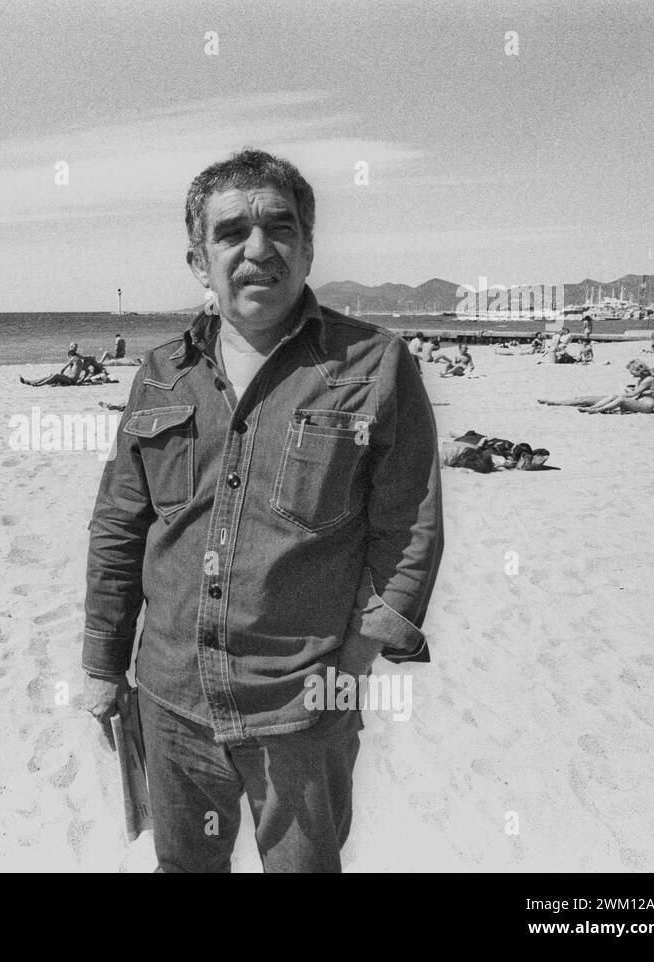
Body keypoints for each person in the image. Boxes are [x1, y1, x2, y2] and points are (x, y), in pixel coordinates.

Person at [81, 149, 442, 873]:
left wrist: (357, 657)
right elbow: (121, 524)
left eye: (280, 227)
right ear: (196, 259)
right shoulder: (161, 373)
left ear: (308, 249)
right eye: (230, 233)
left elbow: (409, 527)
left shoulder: (373, 364)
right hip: (171, 697)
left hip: (302, 709)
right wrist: (102, 662)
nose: (257, 249)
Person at [537, 360, 654, 412]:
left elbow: (634, 394)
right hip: (638, 403)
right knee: (584, 398)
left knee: (620, 398)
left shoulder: (648, 379)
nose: (630, 373)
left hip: (645, 407)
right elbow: (639, 393)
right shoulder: (643, 380)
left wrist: (625, 392)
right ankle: (555, 402)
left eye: (632, 371)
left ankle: (595, 409)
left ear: (639, 370)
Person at [20, 348, 85, 387]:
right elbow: (87, 371)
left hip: (70, 381)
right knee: (51, 376)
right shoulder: (81, 362)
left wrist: (61, 375)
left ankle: (38, 384)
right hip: (71, 380)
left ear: (70, 355)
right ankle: (31, 382)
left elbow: (62, 369)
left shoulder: (73, 358)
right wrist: (81, 380)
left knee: (56, 375)